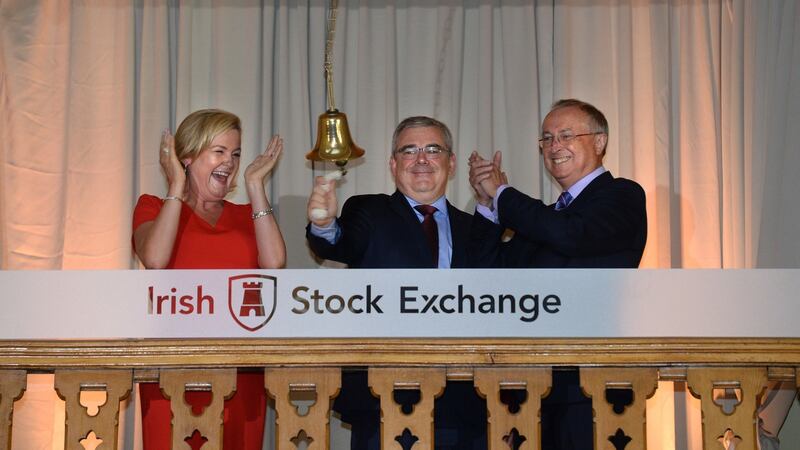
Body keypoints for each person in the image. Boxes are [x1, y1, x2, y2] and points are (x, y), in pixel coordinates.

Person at [468, 98, 647, 450]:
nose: (554, 146)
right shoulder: (545, 218)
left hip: (592, 389)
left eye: (566, 135)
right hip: (530, 389)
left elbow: (571, 235)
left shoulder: (622, 194)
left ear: (599, 142)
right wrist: (488, 206)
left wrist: (503, 193)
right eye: (547, 139)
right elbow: (491, 274)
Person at [306, 116, 484, 450]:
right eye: (409, 151)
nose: (421, 159)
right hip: (382, 399)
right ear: (393, 164)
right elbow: (340, 244)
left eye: (433, 149)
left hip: (460, 403)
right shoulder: (369, 210)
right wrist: (325, 224)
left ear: (451, 163)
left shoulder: (475, 228)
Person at [132, 108, 286, 450]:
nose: (230, 162)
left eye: (236, 154)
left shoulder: (247, 215)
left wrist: (255, 186)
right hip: (170, 371)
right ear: (188, 157)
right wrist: (176, 185)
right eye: (219, 151)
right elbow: (155, 259)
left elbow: (275, 264)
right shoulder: (153, 207)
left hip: (240, 371)